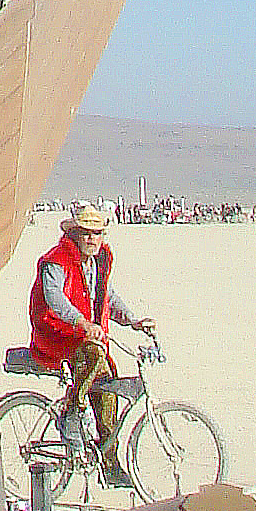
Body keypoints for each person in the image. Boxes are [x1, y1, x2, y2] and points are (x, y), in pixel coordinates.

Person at [29, 201, 152, 476]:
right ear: (74, 233)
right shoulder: (56, 260)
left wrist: (133, 321)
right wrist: (82, 322)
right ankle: (72, 414)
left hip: (86, 336)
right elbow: (55, 299)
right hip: (57, 333)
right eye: (86, 233)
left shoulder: (96, 262)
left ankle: (108, 459)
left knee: (108, 387)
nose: (92, 239)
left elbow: (106, 296)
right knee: (95, 357)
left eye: (97, 234)